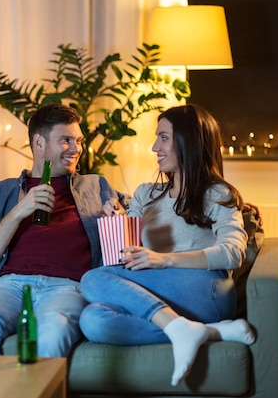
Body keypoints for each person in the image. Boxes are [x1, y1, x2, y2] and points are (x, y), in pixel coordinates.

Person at [79, 103, 256, 387]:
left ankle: (192, 326)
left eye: (164, 137)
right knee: (93, 320)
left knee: (91, 279)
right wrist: (117, 224)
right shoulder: (144, 195)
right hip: (162, 296)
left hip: (206, 291)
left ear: (189, 142)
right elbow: (124, 259)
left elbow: (233, 252)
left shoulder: (218, 194)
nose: (154, 147)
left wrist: (165, 260)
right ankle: (205, 331)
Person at [0, 103, 126, 358]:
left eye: (78, 140)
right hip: (8, 286)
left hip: (67, 288)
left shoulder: (96, 186)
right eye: (65, 140)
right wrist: (18, 212)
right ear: (39, 143)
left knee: (52, 332)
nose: (76, 149)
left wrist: (120, 217)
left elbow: (143, 214)